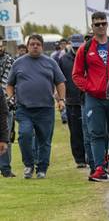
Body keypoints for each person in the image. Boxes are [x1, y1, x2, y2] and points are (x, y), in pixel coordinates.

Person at [73, 12, 109, 182]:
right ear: (92, 26)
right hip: (94, 98)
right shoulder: (85, 48)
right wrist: (90, 88)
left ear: (107, 24)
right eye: (97, 24)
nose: (101, 26)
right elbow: (77, 75)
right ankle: (98, 168)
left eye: (103, 23)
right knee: (96, 133)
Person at [6, 34, 66, 179]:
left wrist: (61, 99)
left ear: (42, 46)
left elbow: (60, 82)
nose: (34, 46)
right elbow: (10, 84)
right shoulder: (18, 63)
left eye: (37, 44)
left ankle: (42, 168)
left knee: (44, 140)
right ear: (27, 46)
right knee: (24, 135)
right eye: (32, 44)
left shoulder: (50, 62)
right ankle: (28, 165)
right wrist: (10, 97)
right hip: (24, 108)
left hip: (45, 108)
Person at [58, 34, 87, 168]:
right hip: (72, 101)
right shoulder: (63, 59)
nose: (76, 49)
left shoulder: (88, 56)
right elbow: (60, 80)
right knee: (75, 132)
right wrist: (60, 98)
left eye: (79, 46)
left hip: (88, 99)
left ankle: (91, 156)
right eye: (74, 46)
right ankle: (79, 159)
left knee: (91, 130)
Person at [0, 36, 17, 178]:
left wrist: (11, 99)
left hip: (6, 104)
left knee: (5, 136)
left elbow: (11, 83)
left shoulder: (10, 61)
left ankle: (5, 169)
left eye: (1, 45)